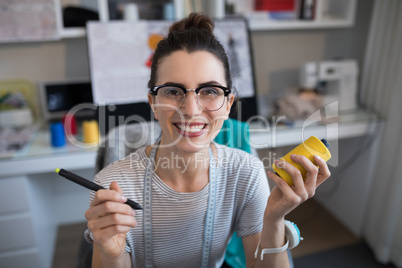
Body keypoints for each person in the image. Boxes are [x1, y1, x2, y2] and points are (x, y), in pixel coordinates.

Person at [84, 13, 331, 268]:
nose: (190, 110)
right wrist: (112, 255)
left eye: (210, 91)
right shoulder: (112, 187)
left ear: (228, 104)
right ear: (153, 104)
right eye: (172, 91)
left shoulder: (247, 173)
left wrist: (274, 220)